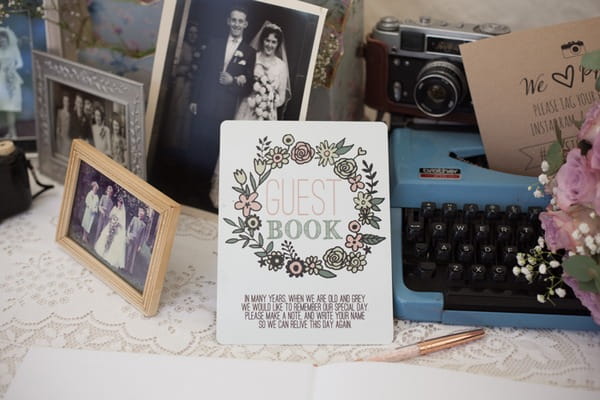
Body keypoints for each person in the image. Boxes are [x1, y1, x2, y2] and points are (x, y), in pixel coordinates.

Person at [186, 6, 256, 211]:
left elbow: (249, 83)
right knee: (196, 143)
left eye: (240, 21)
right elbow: (202, 74)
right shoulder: (215, 43)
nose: (236, 24)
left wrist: (233, 80)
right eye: (233, 20)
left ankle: (202, 192)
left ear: (245, 24)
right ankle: (189, 188)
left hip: (225, 108)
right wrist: (194, 99)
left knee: (213, 147)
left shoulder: (250, 52)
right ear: (228, 21)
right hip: (205, 101)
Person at [234, 22, 291, 121]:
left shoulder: (281, 66)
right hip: (248, 107)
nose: (269, 45)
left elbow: (281, 97)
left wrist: (266, 103)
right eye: (267, 40)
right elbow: (243, 83)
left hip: (267, 112)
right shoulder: (253, 57)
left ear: (278, 44)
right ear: (262, 40)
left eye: (274, 42)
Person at [0, 27, 23, 139]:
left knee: (11, 107)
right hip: (1, 78)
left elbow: (20, 63)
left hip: (11, 79)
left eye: (3, 40)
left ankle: (13, 132)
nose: (2, 42)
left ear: (7, 40)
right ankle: (7, 132)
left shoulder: (14, 50)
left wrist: (12, 67)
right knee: (3, 106)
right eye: (0, 41)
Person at [94, 196, 127, 270]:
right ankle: (103, 251)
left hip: (116, 228)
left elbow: (122, 223)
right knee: (106, 237)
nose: (119, 203)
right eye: (119, 202)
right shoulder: (114, 208)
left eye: (121, 202)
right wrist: (112, 221)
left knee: (113, 240)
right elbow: (110, 215)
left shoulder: (122, 213)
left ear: (122, 204)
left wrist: (116, 224)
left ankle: (108, 255)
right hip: (110, 225)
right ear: (117, 202)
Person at [125, 207, 146, 275]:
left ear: (143, 216)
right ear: (138, 214)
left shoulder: (143, 225)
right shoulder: (134, 219)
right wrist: (128, 235)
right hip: (131, 237)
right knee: (128, 252)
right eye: (140, 214)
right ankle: (125, 267)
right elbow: (129, 227)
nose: (141, 216)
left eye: (142, 215)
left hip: (137, 241)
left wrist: (140, 246)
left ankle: (130, 270)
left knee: (133, 256)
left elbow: (142, 237)